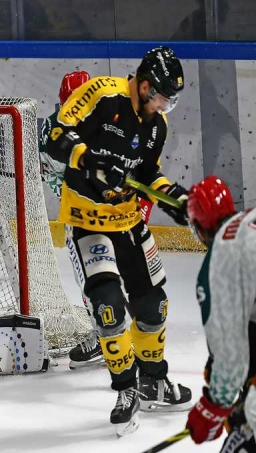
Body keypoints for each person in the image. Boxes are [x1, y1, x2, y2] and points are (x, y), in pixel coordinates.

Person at [46, 46, 192, 436]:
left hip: (127, 221)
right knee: (108, 308)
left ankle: (153, 380)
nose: (163, 106)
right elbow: (55, 134)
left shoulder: (157, 125)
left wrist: (174, 196)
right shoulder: (101, 94)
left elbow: (148, 175)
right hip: (87, 220)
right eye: (160, 97)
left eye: (169, 101)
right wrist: (88, 158)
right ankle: (126, 390)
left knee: (153, 304)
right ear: (144, 86)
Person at [40, 70, 155, 369]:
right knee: (92, 278)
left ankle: (134, 336)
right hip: (83, 215)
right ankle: (105, 331)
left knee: (133, 275)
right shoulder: (55, 131)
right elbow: (50, 173)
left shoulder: (120, 118)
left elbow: (145, 169)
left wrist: (140, 206)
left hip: (120, 214)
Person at [184, 176, 256, 451]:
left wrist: (213, 408)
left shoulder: (219, 260)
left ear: (200, 228)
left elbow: (230, 358)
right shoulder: (250, 218)